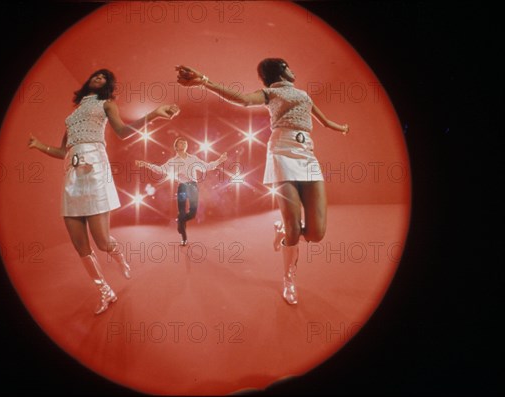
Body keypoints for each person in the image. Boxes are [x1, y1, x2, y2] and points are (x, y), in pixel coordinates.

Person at [176, 60, 349, 305]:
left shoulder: (303, 94)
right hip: (282, 152)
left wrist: (340, 127)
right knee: (293, 226)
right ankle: (289, 279)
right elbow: (243, 99)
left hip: (307, 153)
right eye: (288, 66)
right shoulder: (271, 92)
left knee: (316, 234)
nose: (293, 69)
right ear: (279, 71)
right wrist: (205, 82)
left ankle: (281, 230)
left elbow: (322, 120)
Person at [28, 69, 180, 314]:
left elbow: (122, 132)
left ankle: (118, 255)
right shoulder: (73, 116)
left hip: (95, 169)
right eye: (96, 75)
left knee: (102, 242)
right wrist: (38, 146)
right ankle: (105, 291)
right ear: (88, 80)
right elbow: (61, 151)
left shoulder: (106, 105)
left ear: (108, 86)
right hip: (72, 175)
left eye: (104, 78)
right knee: (80, 244)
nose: (99, 78)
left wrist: (153, 115)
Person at [135, 137, 227, 246]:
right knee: (182, 211)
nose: (183, 144)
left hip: (193, 187)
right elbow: (161, 170)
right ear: (176, 147)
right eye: (181, 143)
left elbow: (206, 167)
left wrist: (219, 160)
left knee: (192, 213)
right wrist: (146, 165)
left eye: (185, 142)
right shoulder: (173, 161)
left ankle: (180, 222)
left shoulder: (193, 158)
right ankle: (184, 238)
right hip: (182, 187)